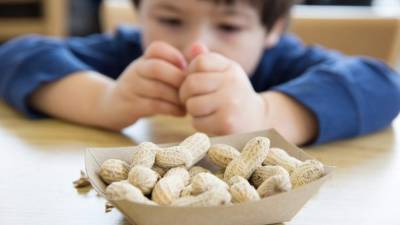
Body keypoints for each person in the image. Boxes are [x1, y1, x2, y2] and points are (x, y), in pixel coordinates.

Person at [0, 0, 399, 145]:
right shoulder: (127, 52)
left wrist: (266, 116)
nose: (197, 47)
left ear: (274, 30)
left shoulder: (286, 63)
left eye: (229, 27)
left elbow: (384, 84)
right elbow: (18, 55)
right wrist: (102, 100)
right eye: (170, 18)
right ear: (139, 12)